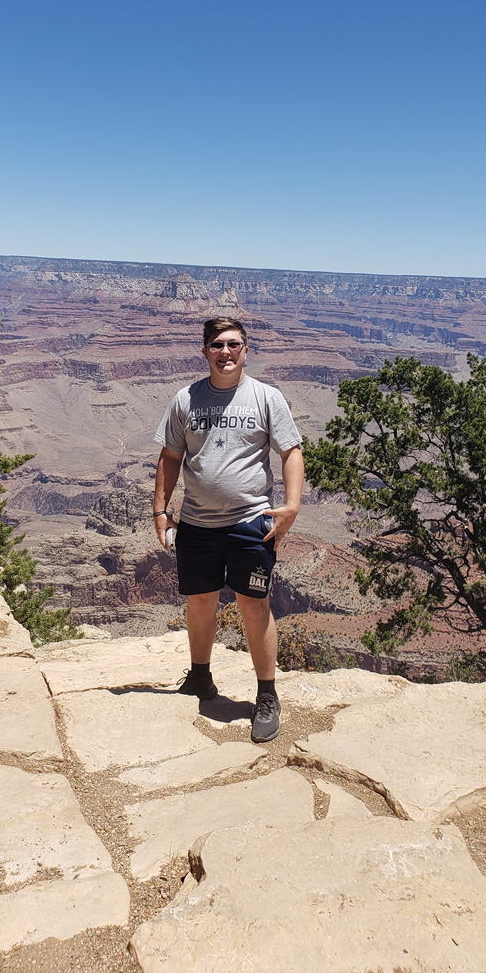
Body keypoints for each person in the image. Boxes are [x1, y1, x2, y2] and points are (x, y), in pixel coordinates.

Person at [152, 316, 304, 742]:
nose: (226, 352)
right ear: (205, 351)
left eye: (234, 344)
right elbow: (169, 457)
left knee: (253, 604)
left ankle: (267, 695)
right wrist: (160, 511)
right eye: (217, 345)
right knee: (200, 602)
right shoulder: (185, 399)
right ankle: (201, 678)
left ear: (246, 351)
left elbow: (291, 451)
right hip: (197, 522)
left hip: (250, 521)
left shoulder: (266, 398)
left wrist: (291, 507)